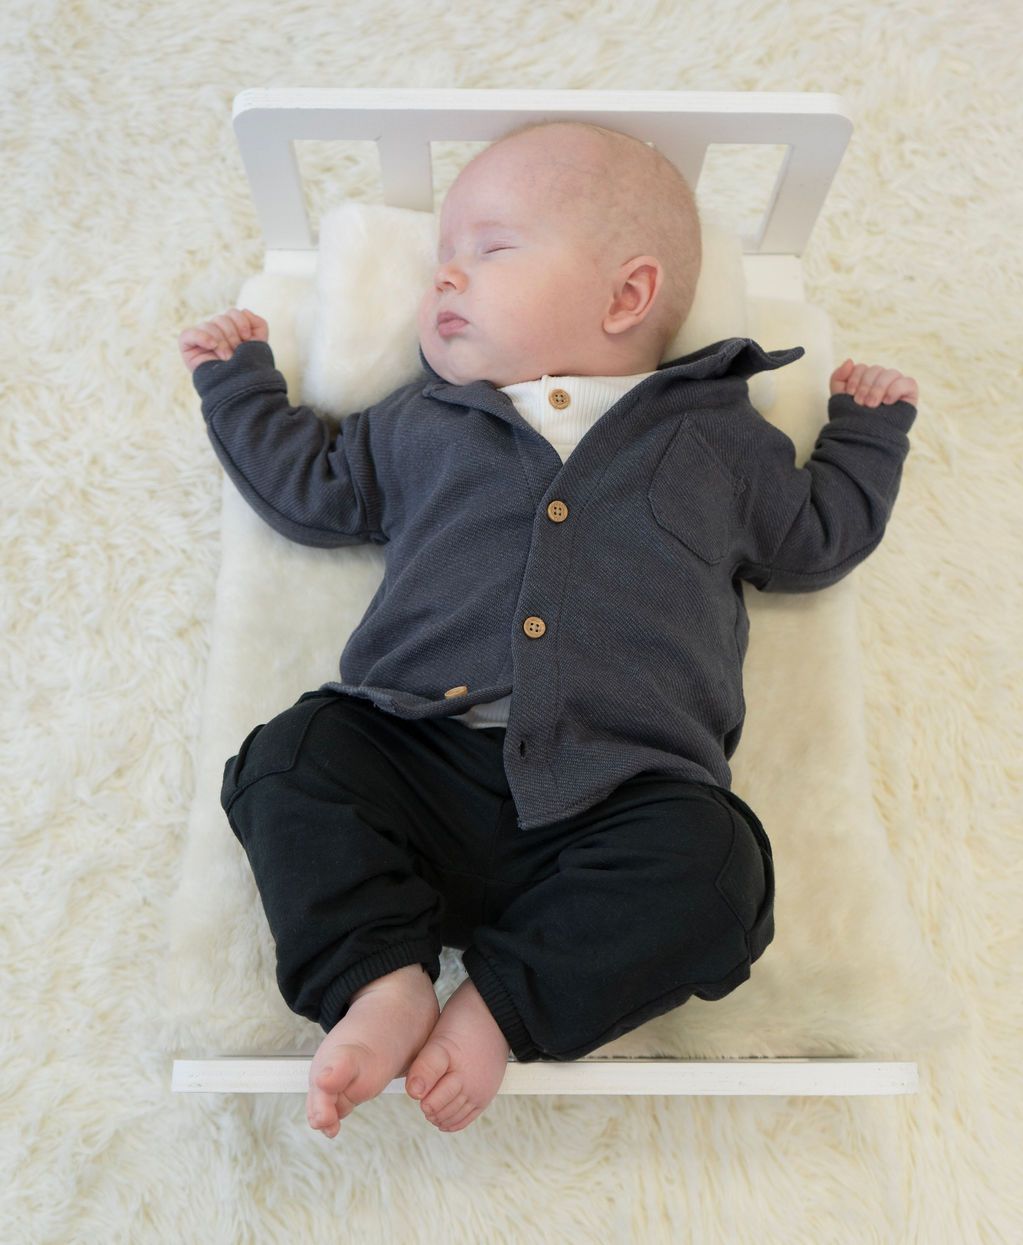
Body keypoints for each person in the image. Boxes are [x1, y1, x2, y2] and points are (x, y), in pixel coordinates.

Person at [178, 119, 919, 1139]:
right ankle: (380, 977)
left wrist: (866, 437)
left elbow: (813, 540)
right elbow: (313, 492)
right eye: (442, 258)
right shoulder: (423, 420)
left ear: (626, 296)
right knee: (293, 758)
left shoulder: (716, 437)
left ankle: (500, 1006)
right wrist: (238, 383)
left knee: (718, 873)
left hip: (620, 793)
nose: (444, 278)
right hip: (417, 752)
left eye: (488, 251)